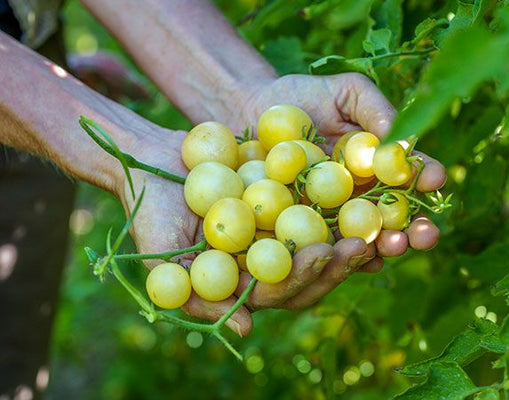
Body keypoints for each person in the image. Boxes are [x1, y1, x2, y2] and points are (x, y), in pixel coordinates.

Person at [0, 0, 445, 398]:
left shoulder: (269, 188)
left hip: (29, 42)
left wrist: (241, 93)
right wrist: (125, 149)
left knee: (13, 348)